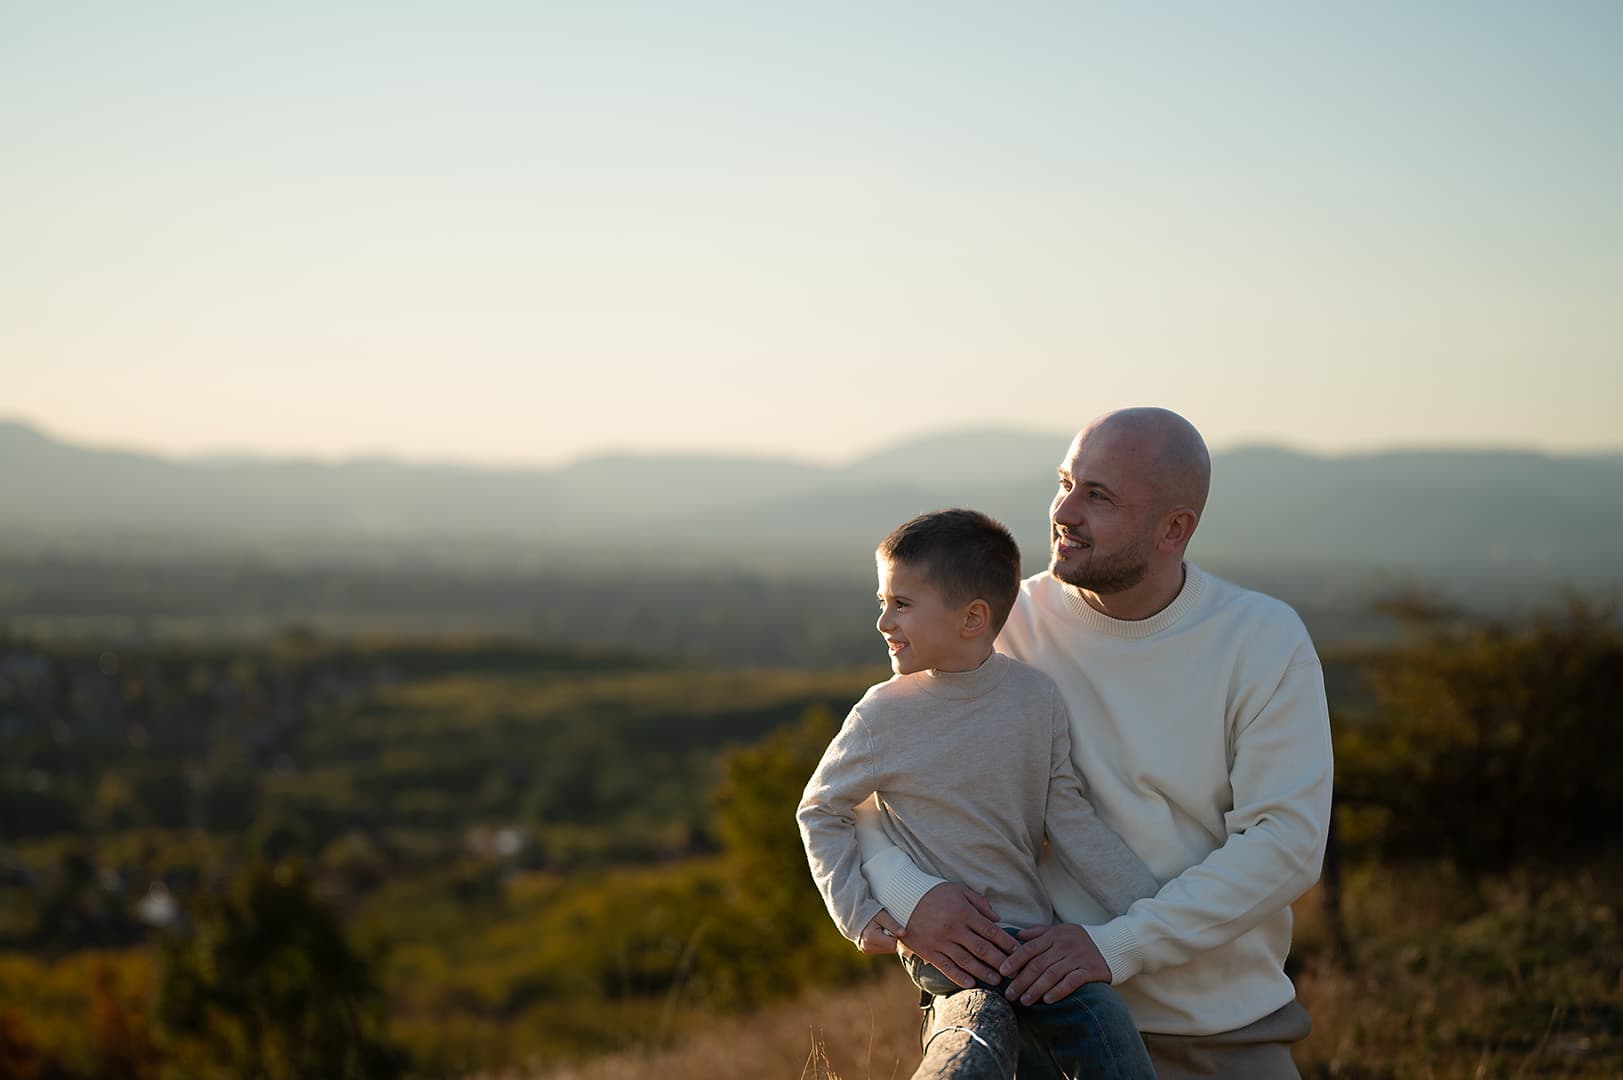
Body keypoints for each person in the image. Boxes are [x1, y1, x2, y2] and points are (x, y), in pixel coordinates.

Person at [858, 408, 1335, 1080]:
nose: (1064, 511)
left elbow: (1284, 844)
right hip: (1036, 1027)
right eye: (1064, 482)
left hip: (1218, 1035)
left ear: (1174, 529)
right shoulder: (992, 628)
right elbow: (872, 795)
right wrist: (912, 895)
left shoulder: (1261, 640)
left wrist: (1117, 946)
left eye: (1098, 496)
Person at [797, 508, 1161, 1079]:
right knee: (1003, 1033)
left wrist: (1148, 910)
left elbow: (1068, 817)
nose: (883, 621)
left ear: (972, 618)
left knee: (1097, 1023)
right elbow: (821, 810)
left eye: (902, 604)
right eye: (882, 602)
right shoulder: (880, 715)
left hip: (1028, 934)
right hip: (947, 949)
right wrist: (858, 915)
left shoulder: (1035, 698)